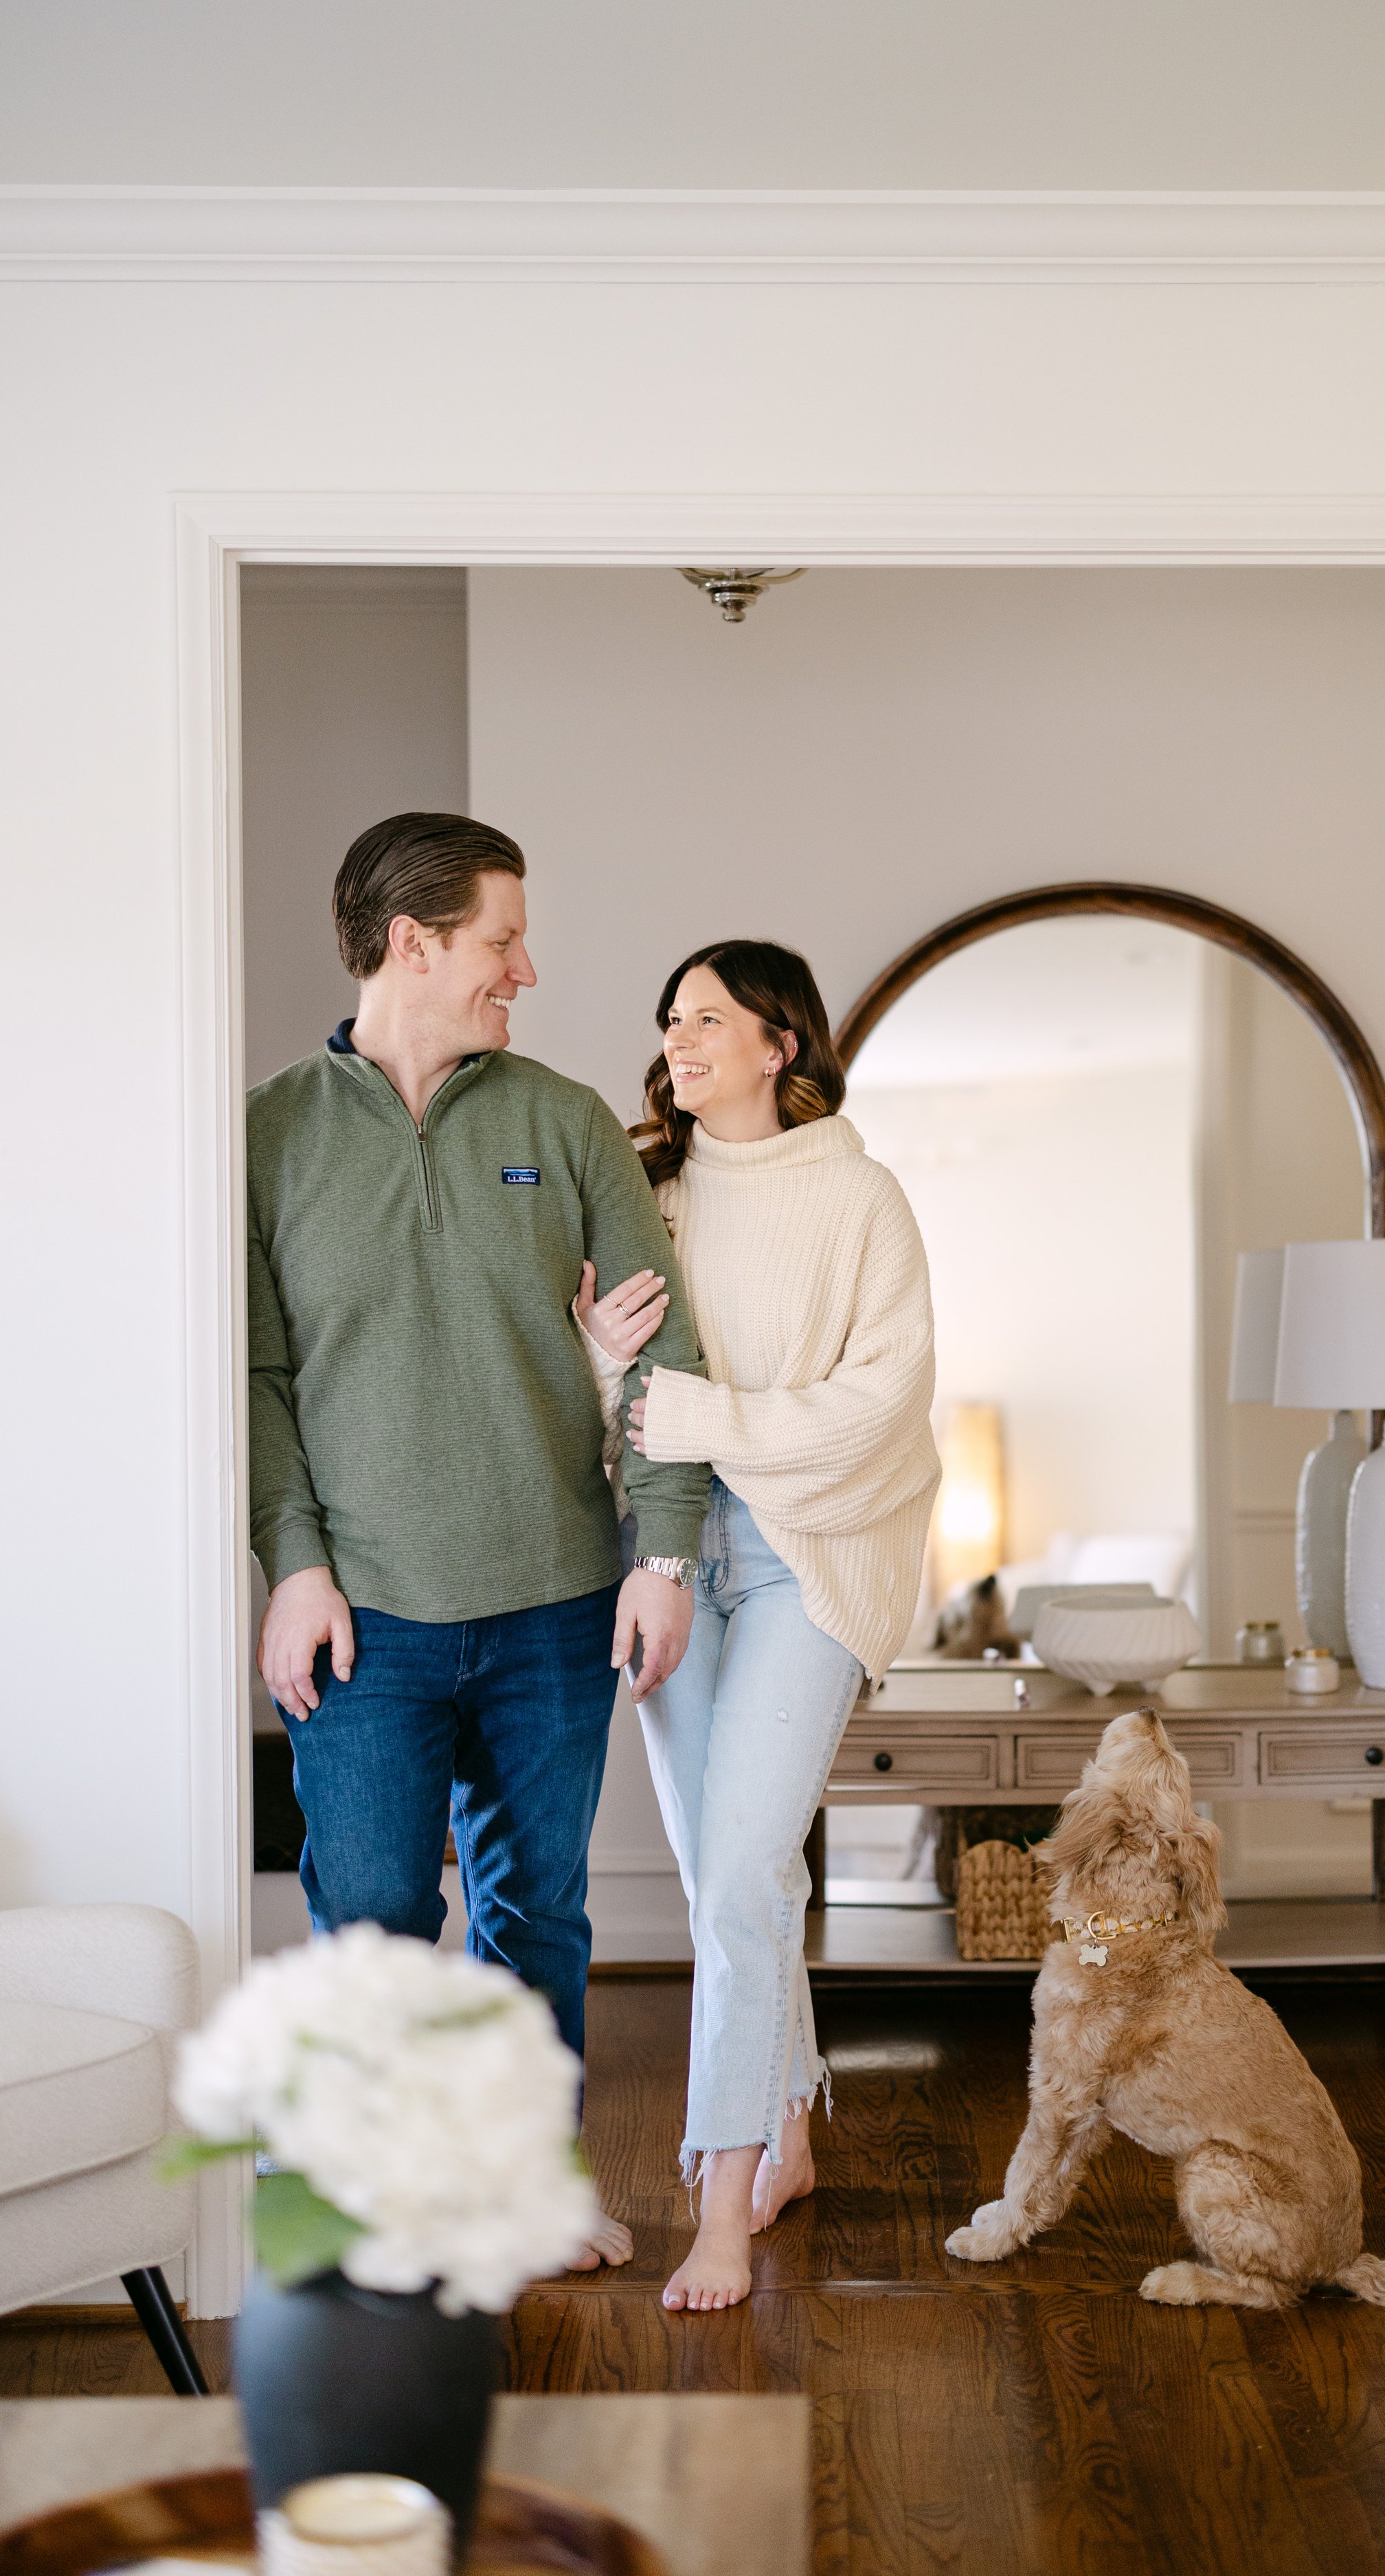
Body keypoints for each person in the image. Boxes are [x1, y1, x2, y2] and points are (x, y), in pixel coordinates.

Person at [247, 811, 712, 2270]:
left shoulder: (560, 1120)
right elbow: (254, 1377)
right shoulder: (268, 1134)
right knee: (374, 1917)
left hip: (556, 1603)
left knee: (535, 1918)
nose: (526, 966)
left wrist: (666, 1552)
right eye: (502, 938)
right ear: (414, 942)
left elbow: (665, 1350)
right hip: (363, 1614)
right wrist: (293, 1563)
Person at [578, 939, 940, 2312]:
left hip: (808, 1563)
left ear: (778, 1044)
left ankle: (717, 2210)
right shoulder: (645, 1191)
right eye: (669, 1017)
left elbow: (880, 1404)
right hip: (666, 1560)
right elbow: (598, 1394)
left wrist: (702, 1419)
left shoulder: (857, 1198)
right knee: (737, 1882)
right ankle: (787, 2129)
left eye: (709, 1018)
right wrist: (608, 1362)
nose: (679, 1038)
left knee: (734, 1884)